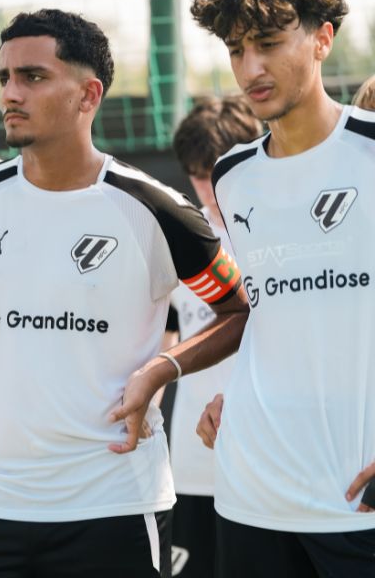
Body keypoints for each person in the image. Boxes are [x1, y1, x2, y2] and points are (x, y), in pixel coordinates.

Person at [0, 8, 248, 578]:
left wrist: (161, 369)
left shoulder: (155, 208)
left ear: (88, 95)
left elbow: (236, 311)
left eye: (34, 77)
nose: (11, 94)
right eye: (5, 78)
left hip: (116, 502)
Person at [188, 0, 375, 577]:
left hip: (356, 498)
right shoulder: (232, 175)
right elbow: (267, 315)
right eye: (237, 49)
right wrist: (228, 397)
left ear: (323, 39)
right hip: (251, 490)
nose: (250, 67)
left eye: (268, 42)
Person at [165, 96, 262, 577]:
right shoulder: (180, 236)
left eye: (215, 169)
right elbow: (163, 342)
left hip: (261, 456)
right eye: (196, 172)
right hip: (189, 456)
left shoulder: (274, 233)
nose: (207, 186)